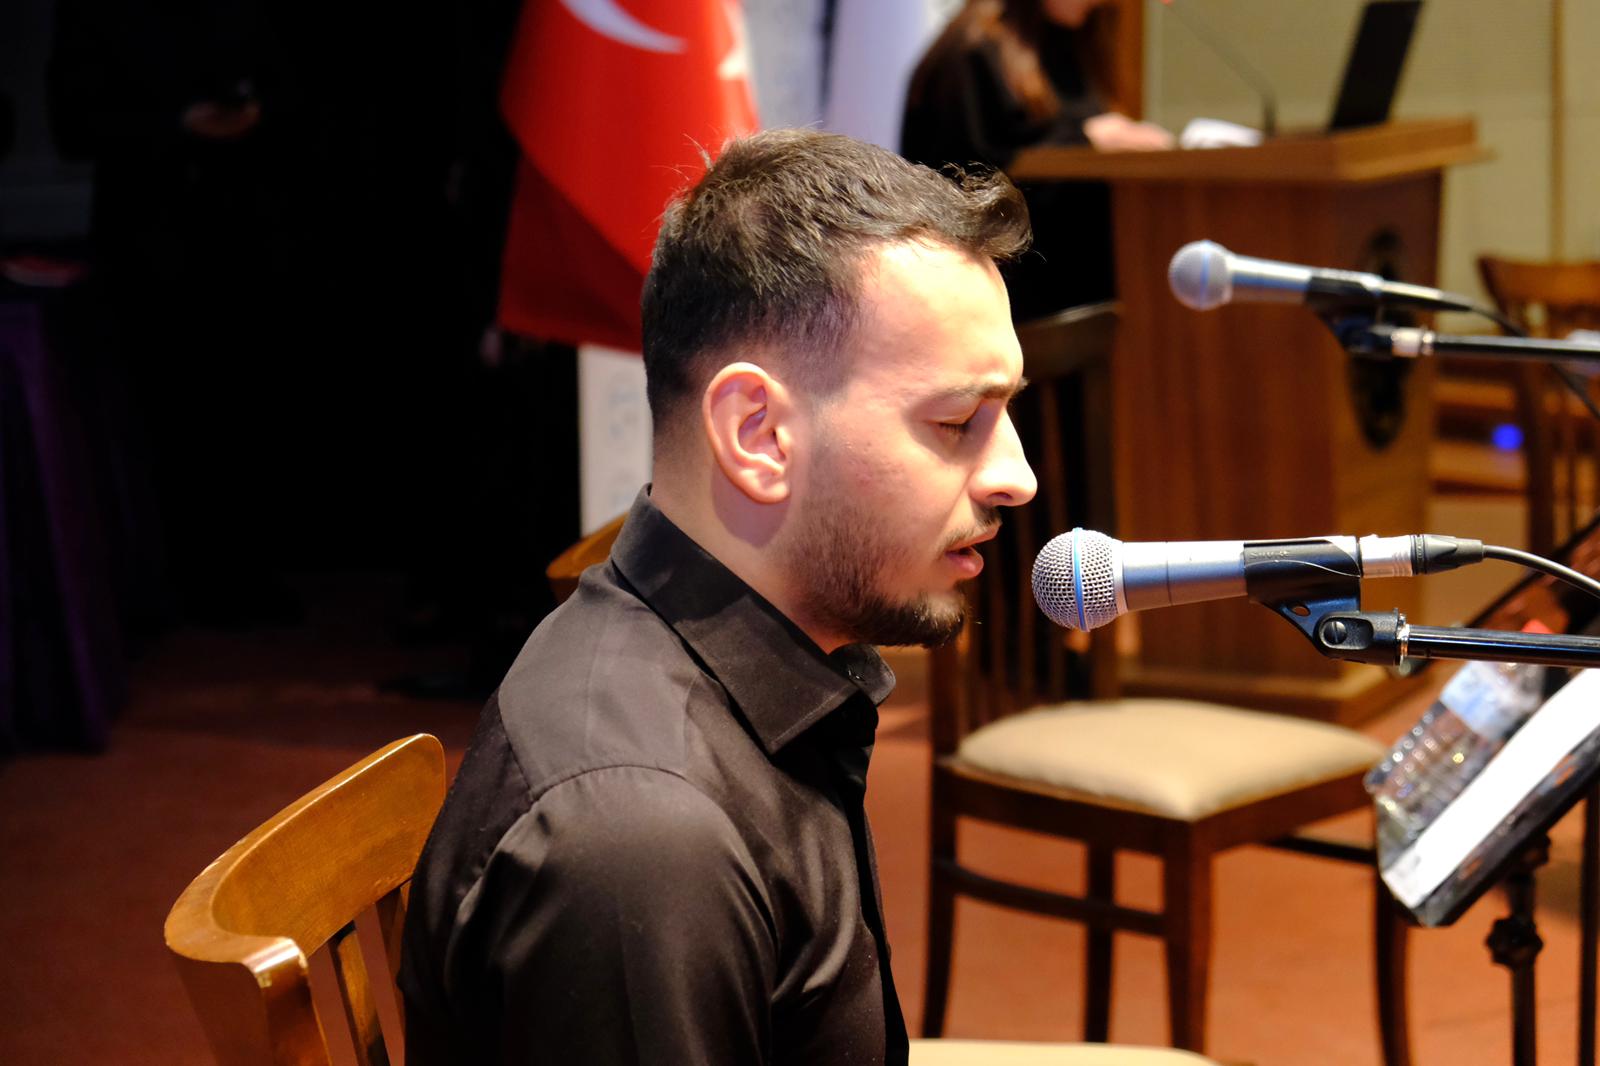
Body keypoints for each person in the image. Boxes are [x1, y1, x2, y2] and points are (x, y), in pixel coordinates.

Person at [399, 128, 1039, 1065]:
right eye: (956, 421)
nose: (1017, 476)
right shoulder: (640, 843)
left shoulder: (764, 651)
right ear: (758, 435)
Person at [901, 0, 1173, 320]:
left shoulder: (1072, 42)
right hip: (1007, 301)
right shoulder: (970, 53)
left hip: (1082, 292)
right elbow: (965, 183)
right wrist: (1086, 139)